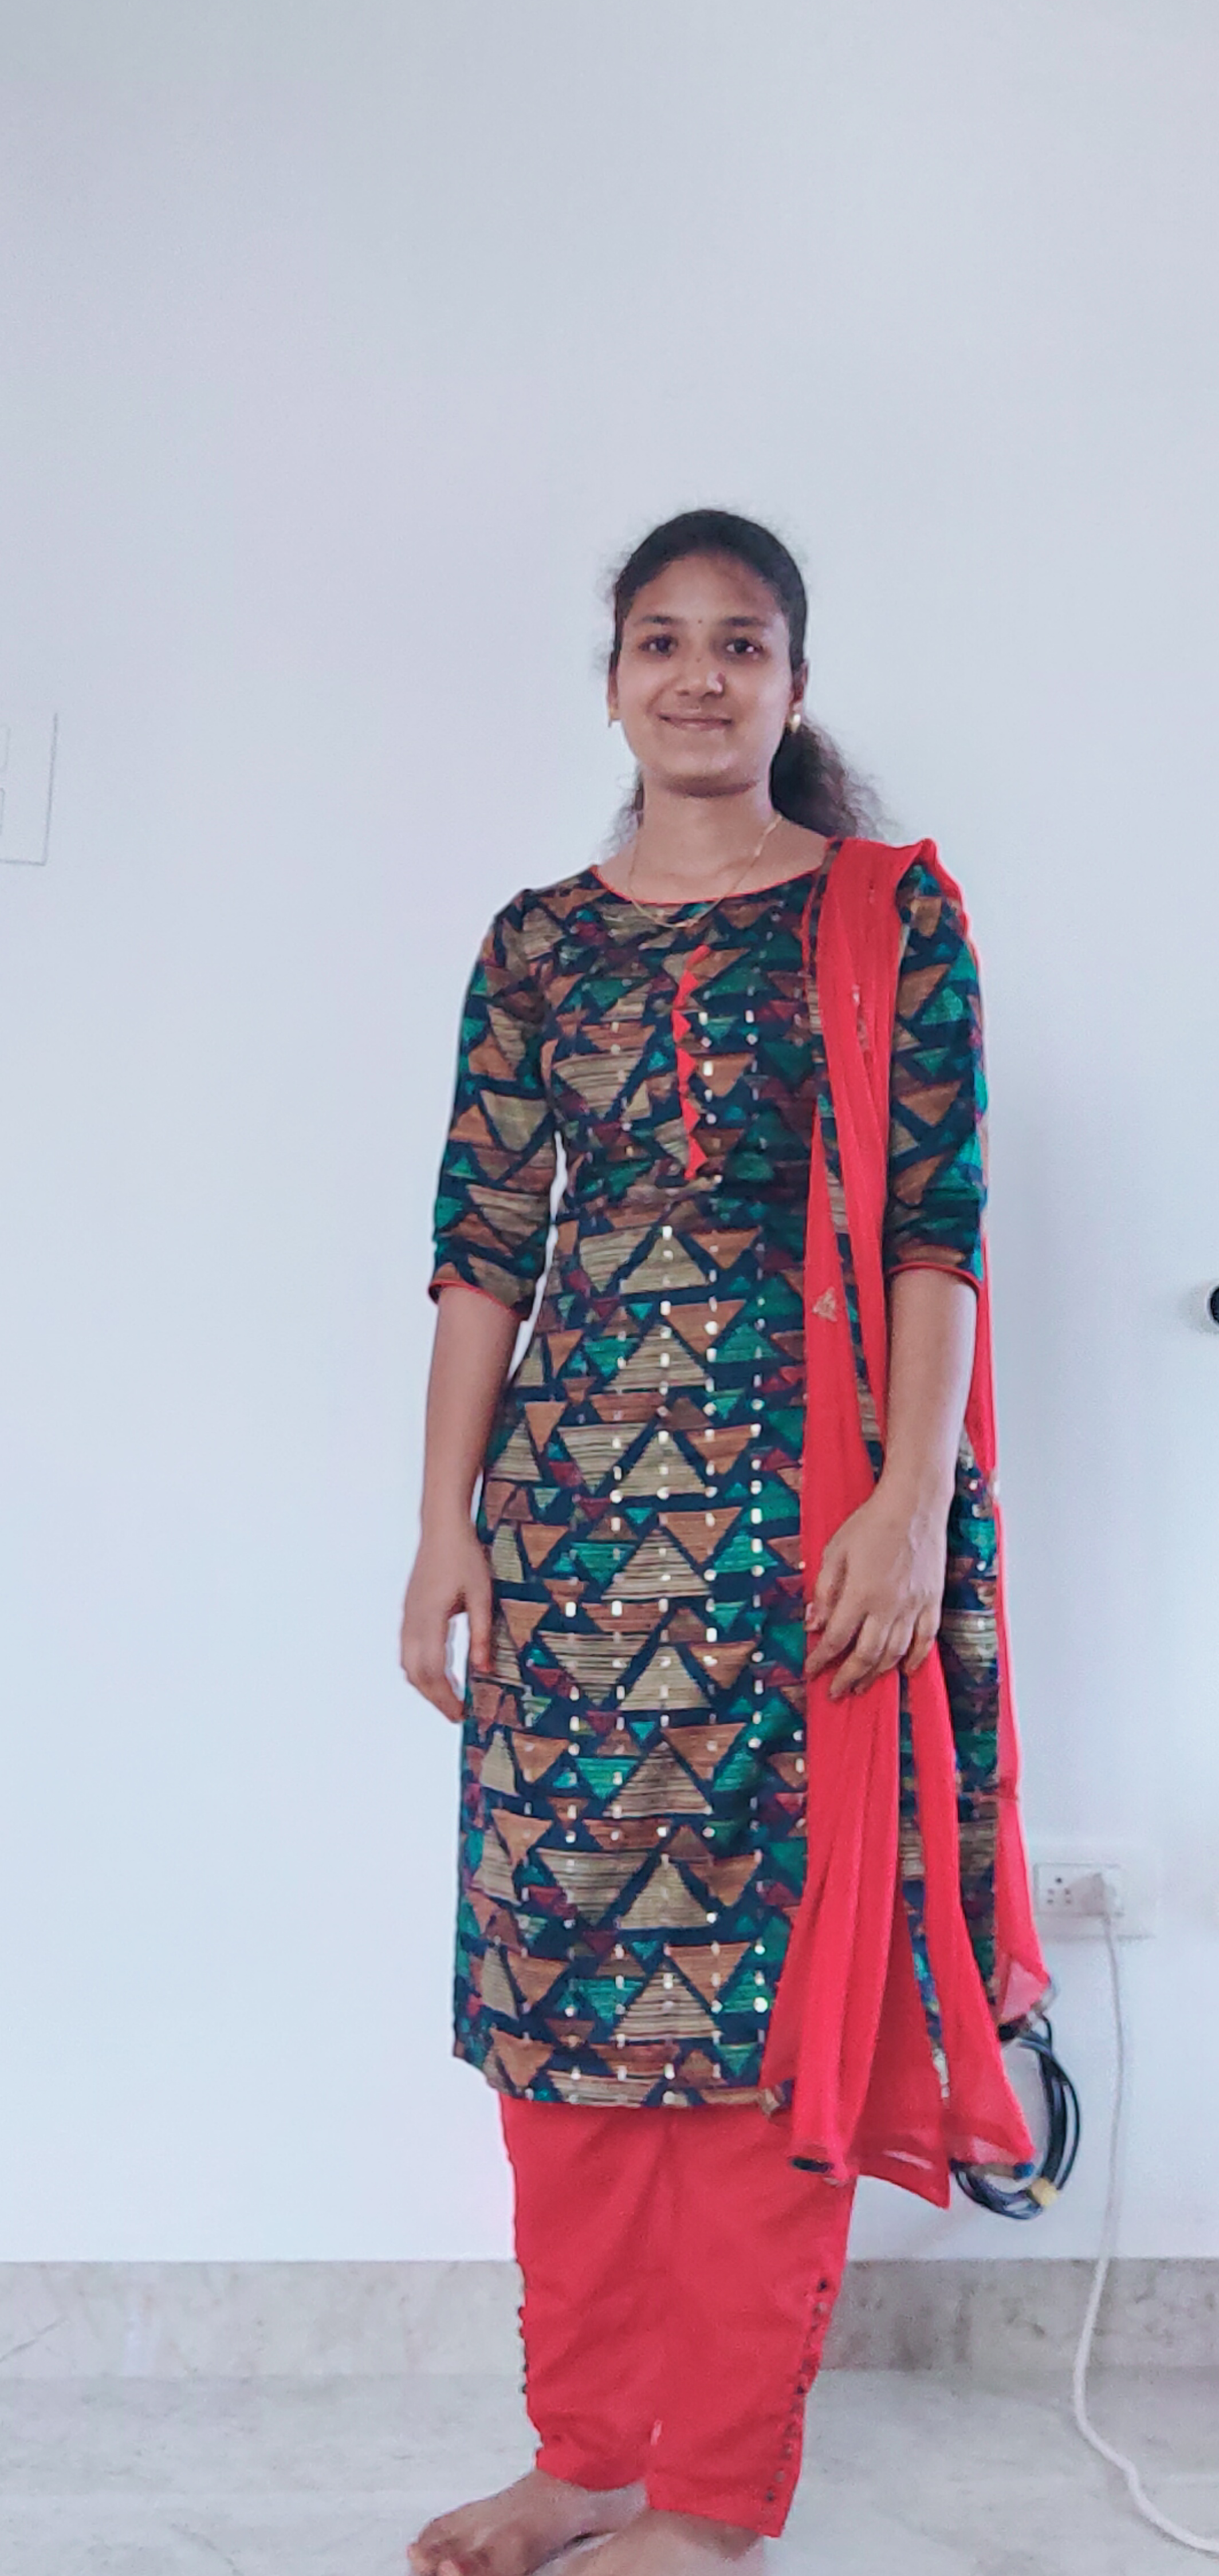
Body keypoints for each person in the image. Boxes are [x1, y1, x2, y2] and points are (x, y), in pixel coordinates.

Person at [400, 510, 1047, 2574]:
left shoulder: (886, 918)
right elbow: (484, 1254)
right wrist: (440, 1528)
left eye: (741, 642)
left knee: (772, 2005)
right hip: (572, 1539)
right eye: (662, 640)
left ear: (793, 681)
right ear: (611, 682)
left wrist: (908, 1506)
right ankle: (585, 2453)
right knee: (562, 1992)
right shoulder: (537, 944)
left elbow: (937, 1233)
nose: (700, 674)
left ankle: (709, 2496)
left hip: (805, 1536)